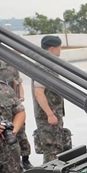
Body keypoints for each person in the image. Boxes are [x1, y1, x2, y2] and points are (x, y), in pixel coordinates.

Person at [32, 35, 71, 163]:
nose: (60, 51)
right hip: (48, 119)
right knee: (52, 152)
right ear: (53, 49)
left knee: (57, 148)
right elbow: (38, 92)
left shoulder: (47, 64)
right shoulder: (43, 66)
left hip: (53, 116)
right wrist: (50, 114)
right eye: (59, 48)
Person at [0, 56, 33, 169]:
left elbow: (18, 82)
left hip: (13, 106)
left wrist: (21, 96)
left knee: (21, 133)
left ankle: (25, 159)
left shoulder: (10, 66)